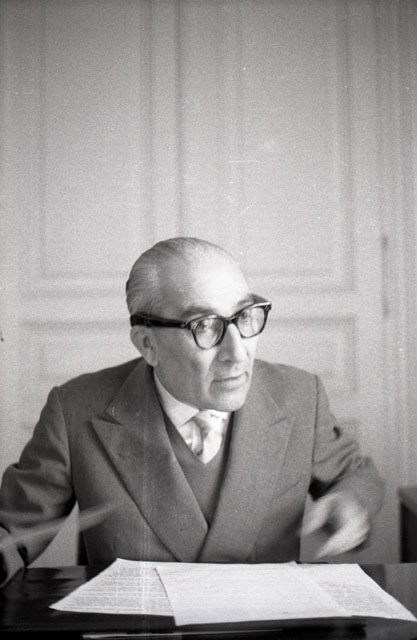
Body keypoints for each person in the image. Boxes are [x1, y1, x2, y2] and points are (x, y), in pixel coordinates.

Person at [0, 237, 383, 586]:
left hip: (266, 628)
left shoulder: (299, 396)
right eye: (205, 326)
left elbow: (354, 475)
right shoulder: (76, 410)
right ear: (148, 345)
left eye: (245, 316)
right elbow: (11, 532)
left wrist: (350, 503)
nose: (238, 353)